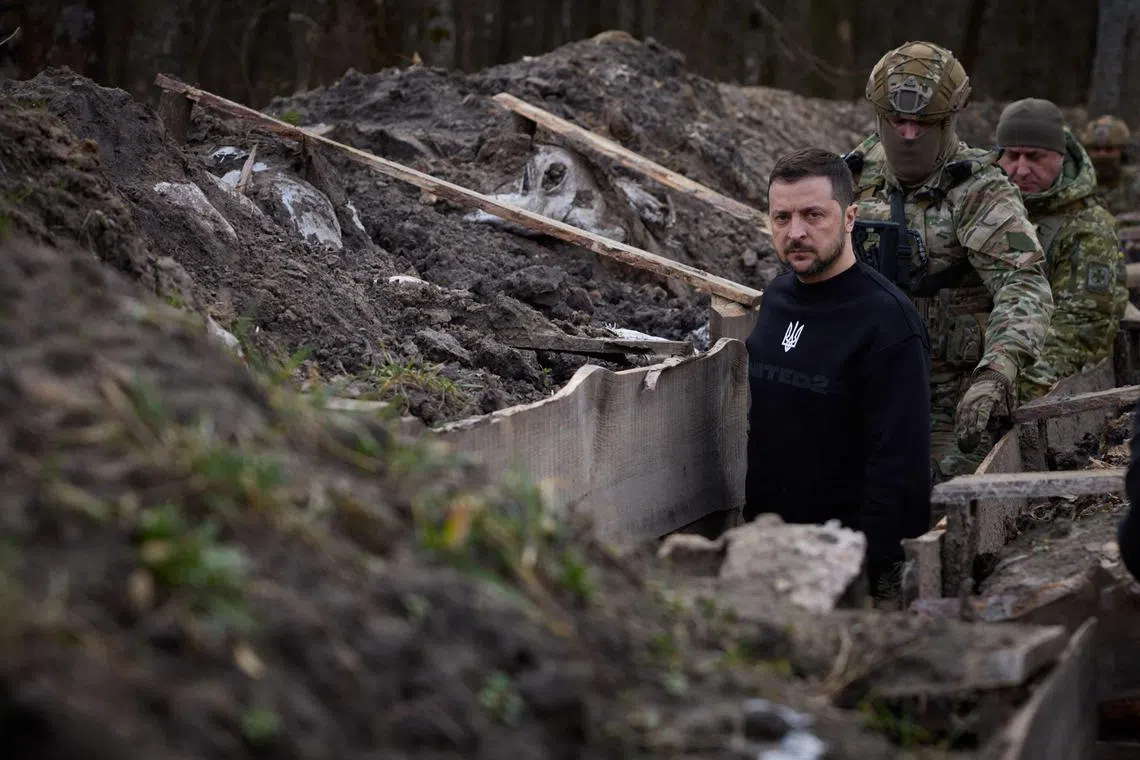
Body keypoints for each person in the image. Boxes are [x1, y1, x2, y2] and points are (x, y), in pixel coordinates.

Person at [844, 41, 1054, 482]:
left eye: (924, 123)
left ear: (949, 120)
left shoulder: (979, 190)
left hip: (949, 398)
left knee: (932, 501)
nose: (908, 134)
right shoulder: (856, 175)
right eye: (897, 121)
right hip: (863, 382)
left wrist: (996, 374)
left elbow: (1024, 284)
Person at [743, 147, 932, 597]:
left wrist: (866, 570)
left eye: (813, 215)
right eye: (782, 217)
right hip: (767, 550)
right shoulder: (776, 299)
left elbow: (900, 465)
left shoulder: (887, 323)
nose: (796, 232)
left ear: (850, 218)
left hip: (844, 565)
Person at [995, 98, 1128, 402]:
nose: (1021, 169)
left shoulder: (1087, 226)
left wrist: (1013, 393)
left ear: (1060, 156)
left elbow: (1081, 331)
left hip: (1038, 383)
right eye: (1012, 156)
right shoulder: (986, 210)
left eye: (1034, 157)